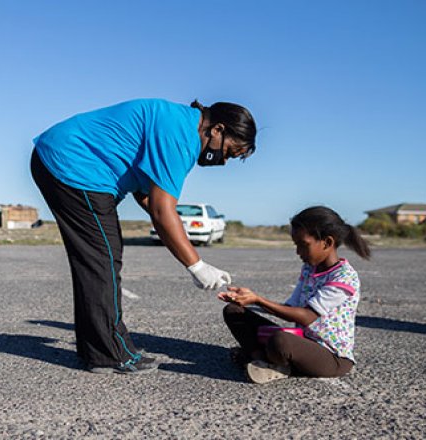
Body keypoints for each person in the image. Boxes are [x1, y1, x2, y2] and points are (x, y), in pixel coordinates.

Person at [31, 98, 257, 374]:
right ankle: (111, 355)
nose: (223, 160)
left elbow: (150, 200)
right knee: (101, 263)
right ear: (218, 129)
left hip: (63, 159)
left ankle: (98, 349)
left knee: (98, 261)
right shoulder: (181, 137)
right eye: (229, 152)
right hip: (76, 166)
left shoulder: (179, 122)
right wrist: (196, 265)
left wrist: (182, 245)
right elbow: (163, 210)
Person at [219, 206, 371, 383]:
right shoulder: (309, 269)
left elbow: (307, 316)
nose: (298, 252)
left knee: (281, 341)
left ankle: (269, 362)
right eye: (296, 245)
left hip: (331, 357)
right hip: (301, 339)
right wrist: (246, 301)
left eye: (303, 245)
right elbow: (291, 308)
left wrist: (259, 300)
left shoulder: (344, 277)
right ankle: (261, 359)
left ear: (327, 243)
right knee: (233, 311)